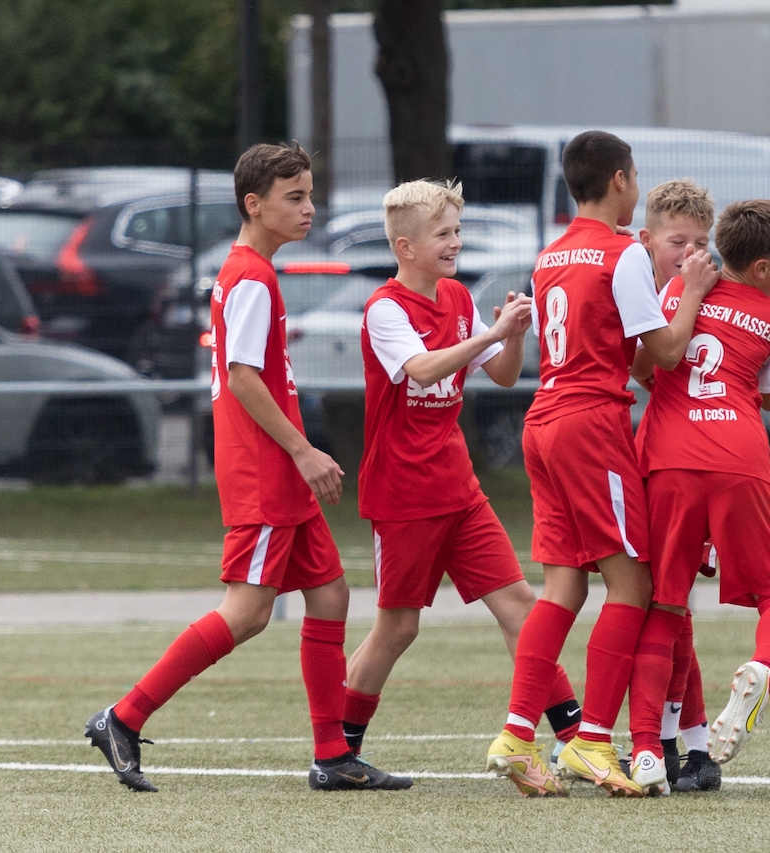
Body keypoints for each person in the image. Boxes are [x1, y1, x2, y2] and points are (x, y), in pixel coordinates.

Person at [84, 142, 410, 793]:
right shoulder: (251, 276)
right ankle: (123, 717)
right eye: (295, 197)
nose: (309, 208)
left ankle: (332, 756)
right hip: (264, 471)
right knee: (248, 611)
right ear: (253, 204)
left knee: (330, 594)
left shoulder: (251, 271)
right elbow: (242, 377)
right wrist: (303, 450)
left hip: (276, 470)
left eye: (310, 195)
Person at [485, 130, 718, 798]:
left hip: (543, 422)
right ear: (620, 180)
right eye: (635, 175)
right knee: (633, 585)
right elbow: (665, 353)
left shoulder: (551, 254)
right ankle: (590, 739)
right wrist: (692, 290)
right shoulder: (623, 253)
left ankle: (516, 733)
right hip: (591, 425)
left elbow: (619, 346)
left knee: (563, 589)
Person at [344, 179, 582, 796]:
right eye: (442, 234)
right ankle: (337, 749)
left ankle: (573, 738)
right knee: (398, 628)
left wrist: (513, 333)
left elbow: (500, 375)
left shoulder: (454, 296)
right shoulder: (386, 308)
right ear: (405, 247)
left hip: (459, 489)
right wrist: (491, 333)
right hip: (404, 495)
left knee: (521, 606)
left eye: (457, 231)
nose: (455, 243)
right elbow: (422, 369)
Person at [626, 199, 770, 786]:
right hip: (739, 460)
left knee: (664, 605)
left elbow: (647, 365)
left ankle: (648, 751)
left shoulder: (675, 292)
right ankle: (763, 668)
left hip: (668, 461)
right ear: (761, 268)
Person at [632, 179, 723, 794]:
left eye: (699, 242)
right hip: (666, 456)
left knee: (663, 608)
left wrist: (687, 295)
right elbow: (645, 365)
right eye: (676, 242)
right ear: (648, 241)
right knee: (672, 608)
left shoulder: (695, 292)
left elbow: (661, 361)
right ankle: (691, 748)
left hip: (691, 464)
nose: (689, 253)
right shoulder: (656, 291)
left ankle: (660, 747)